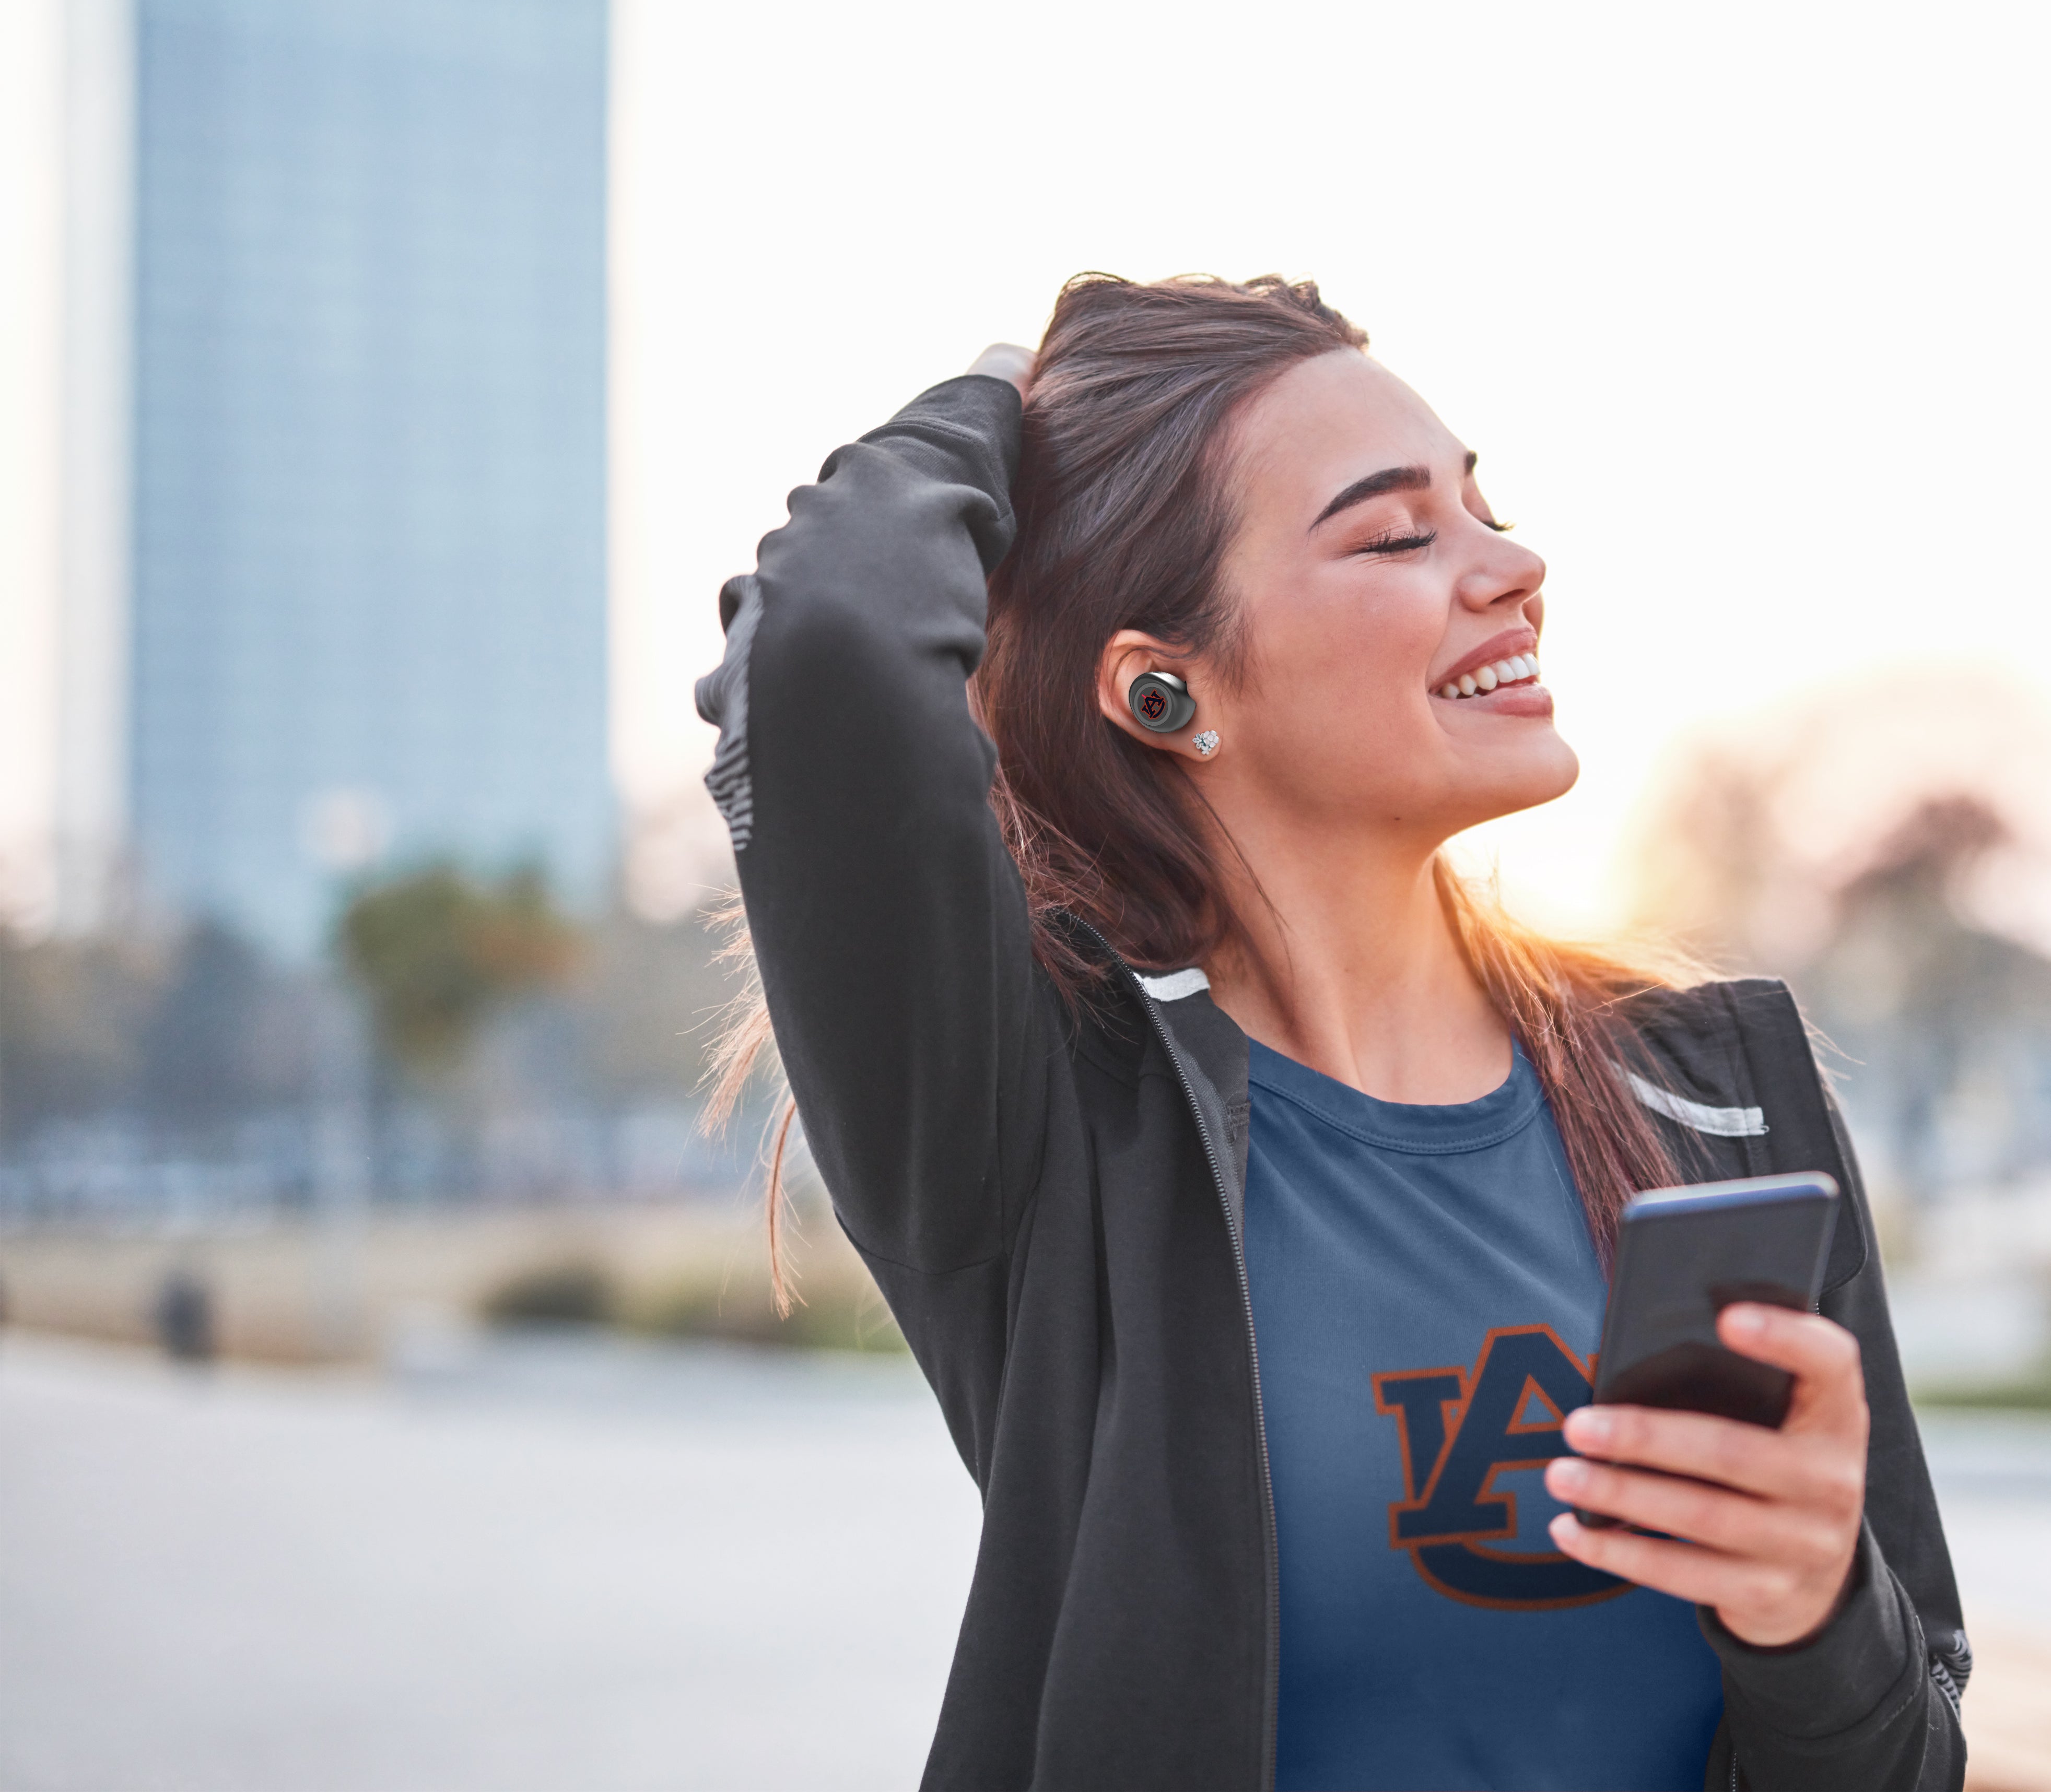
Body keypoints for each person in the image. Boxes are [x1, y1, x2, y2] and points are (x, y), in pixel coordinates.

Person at [699, 275, 1967, 1791]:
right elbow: (829, 640)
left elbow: (1907, 1763)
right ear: (1163, 689)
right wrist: (1015, 385)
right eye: (1398, 532)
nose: (1513, 565)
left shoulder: (1713, 1096)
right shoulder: (1046, 1129)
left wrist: (1814, 1613)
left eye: (1484, 505)